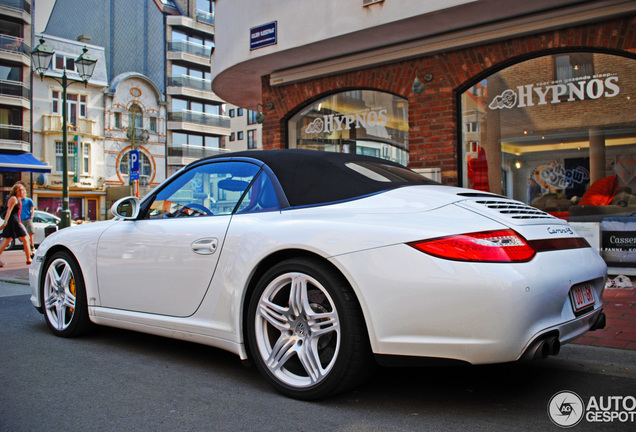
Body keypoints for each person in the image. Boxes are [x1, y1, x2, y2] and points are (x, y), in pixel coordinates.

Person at [0, 183, 32, 266]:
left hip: (15, 221)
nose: (21, 192)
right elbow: (9, 211)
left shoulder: (18, 199)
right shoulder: (13, 199)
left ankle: (29, 259)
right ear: (15, 191)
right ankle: (28, 259)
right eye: (19, 190)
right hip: (13, 222)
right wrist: (5, 222)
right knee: (25, 239)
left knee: (6, 241)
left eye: (22, 190)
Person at [19, 181, 35, 254]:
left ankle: (32, 246)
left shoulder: (29, 200)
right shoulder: (18, 200)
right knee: (22, 234)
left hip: (28, 218)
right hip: (20, 219)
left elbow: (32, 209)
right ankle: (25, 246)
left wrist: (31, 216)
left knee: (30, 233)